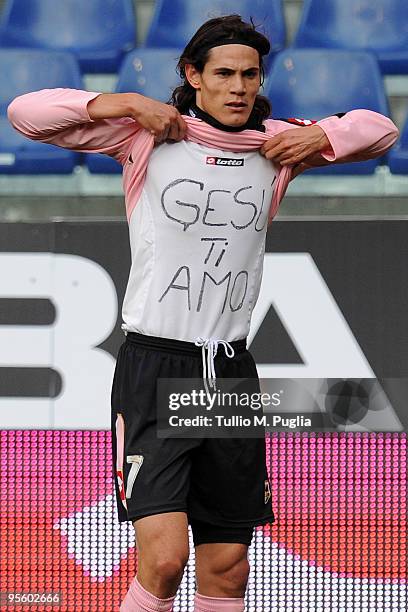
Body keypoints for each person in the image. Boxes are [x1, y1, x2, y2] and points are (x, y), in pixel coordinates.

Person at [8, 14, 398, 612]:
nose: (239, 86)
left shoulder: (275, 148)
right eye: (223, 74)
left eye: (250, 74)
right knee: (164, 561)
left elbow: (381, 130)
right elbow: (26, 113)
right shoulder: (143, 138)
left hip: (231, 373)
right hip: (155, 366)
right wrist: (129, 103)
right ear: (192, 76)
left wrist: (320, 136)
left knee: (229, 566)